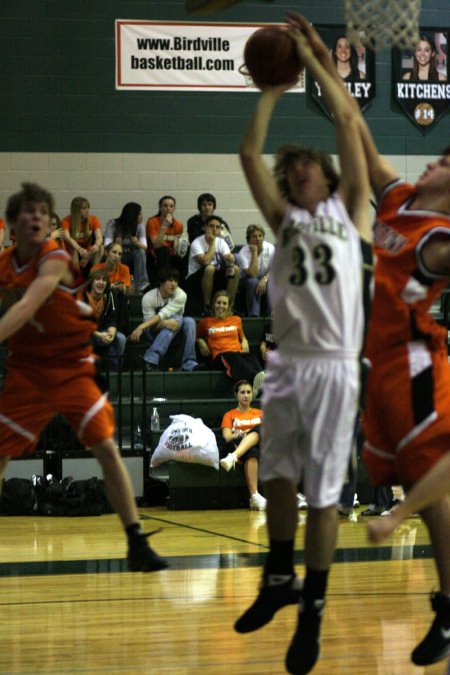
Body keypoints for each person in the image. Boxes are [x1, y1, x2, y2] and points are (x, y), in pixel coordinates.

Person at [232, 14, 371, 675]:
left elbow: (346, 122)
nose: (297, 169)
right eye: (291, 167)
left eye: (305, 163)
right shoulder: (282, 220)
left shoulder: (351, 212)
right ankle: (279, 576)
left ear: (325, 173)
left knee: (323, 495)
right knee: (280, 478)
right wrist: (270, 85)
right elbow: (245, 155)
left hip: (336, 367)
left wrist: (315, 61)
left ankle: (312, 607)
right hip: (287, 367)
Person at [0, 182, 167, 572]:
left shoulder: (55, 256)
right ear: (12, 223)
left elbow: (26, 306)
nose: (39, 216)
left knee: (106, 448)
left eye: (45, 211)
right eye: (30, 211)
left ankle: (136, 542)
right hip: (27, 371)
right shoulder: (5, 264)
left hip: (70, 367)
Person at [129, 267, 201, 372]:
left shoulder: (181, 295)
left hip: (175, 330)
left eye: (176, 281)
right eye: (170, 281)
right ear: (161, 282)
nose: (174, 284)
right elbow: (149, 327)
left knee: (189, 321)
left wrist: (140, 326)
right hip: (153, 331)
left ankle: (189, 364)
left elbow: (163, 315)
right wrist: (162, 324)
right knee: (176, 319)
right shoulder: (148, 297)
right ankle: (151, 358)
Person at [196, 290, 265, 396]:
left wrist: (245, 341)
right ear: (214, 304)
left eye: (224, 303)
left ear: (228, 306)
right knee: (233, 357)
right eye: (218, 302)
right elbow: (196, 336)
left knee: (251, 357)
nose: (221, 306)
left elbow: (242, 337)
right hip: (220, 356)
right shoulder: (205, 322)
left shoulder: (236, 320)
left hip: (237, 353)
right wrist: (200, 341)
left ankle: (259, 380)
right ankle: (256, 378)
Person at [220, 379, 266, 511]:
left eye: (249, 392)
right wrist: (242, 434)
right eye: (242, 392)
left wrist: (249, 431)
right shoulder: (229, 415)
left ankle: (233, 457)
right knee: (251, 451)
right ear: (236, 395)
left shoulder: (260, 413)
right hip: (240, 444)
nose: (246, 395)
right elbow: (227, 437)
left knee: (261, 428)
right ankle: (254, 497)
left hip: (263, 444)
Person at [186, 216, 239, 315]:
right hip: (195, 277)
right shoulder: (197, 242)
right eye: (211, 226)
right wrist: (212, 242)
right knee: (209, 268)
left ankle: (230, 305)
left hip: (214, 275)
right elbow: (205, 262)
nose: (214, 229)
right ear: (205, 227)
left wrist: (230, 259)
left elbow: (227, 258)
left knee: (235, 269)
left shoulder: (222, 242)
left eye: (217, 227)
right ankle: (207, 307)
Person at [83, 269, 127, 371]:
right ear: (92, 282)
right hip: (85, 333)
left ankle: (113, 374)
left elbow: (112, 319)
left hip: (102, 332)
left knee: (121, 339)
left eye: (104, 280)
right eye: (97, 279)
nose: (101, 282)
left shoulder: (110, 295)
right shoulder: (83, 296)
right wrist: (99, 335)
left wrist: (111, 333)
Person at [103, 202, 150, 294]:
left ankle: (142, 285)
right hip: (119, 254)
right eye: (140, 214)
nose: (142, 216)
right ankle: (118, 283)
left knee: (140, 252)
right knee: (115, 253)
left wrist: (137, 243)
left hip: (132, 255)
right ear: (133, 216)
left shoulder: (140, 226)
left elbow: (144, 247)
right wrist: (116, 244)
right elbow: (106, 246)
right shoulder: (113, 224)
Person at [146, 195, 188, 279]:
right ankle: (163, 280)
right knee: (163, 251)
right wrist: (164, 226)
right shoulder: (152, 222)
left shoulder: (178, 224)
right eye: (165, 206)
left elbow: (178, 245)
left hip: (172, 253)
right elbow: (156, 245)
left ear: (174, 208)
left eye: (171, 206)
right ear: (160, 207)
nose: (168, 208)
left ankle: (181, 283)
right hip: (156, 254)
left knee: (185, 253)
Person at [238, 224, 275, 316]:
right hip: (244, 281)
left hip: (264, 278)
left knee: (272, 280)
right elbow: (253, 274)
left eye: (260, 236)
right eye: (254, 236)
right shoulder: (243, 252)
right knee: (253, 282)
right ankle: (254, 315)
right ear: (248, 239)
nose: (258, 239)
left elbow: (275, 269)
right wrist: (254, 252)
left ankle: (270, 315)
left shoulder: (270, 248)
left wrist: (265, 279)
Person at [61, 196, 103, 273]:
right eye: (83, 209)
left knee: (99, 247)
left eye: (87, 208)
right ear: (76, 211)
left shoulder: (93, 219)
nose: (87, 211)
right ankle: (77, 277)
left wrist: (96, 246)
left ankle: (95, 274)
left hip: (88, 251)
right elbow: (67, 238)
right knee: (74, 250)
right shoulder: (66, 221)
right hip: (74, 250)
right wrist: (79, 249)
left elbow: (99, 237)